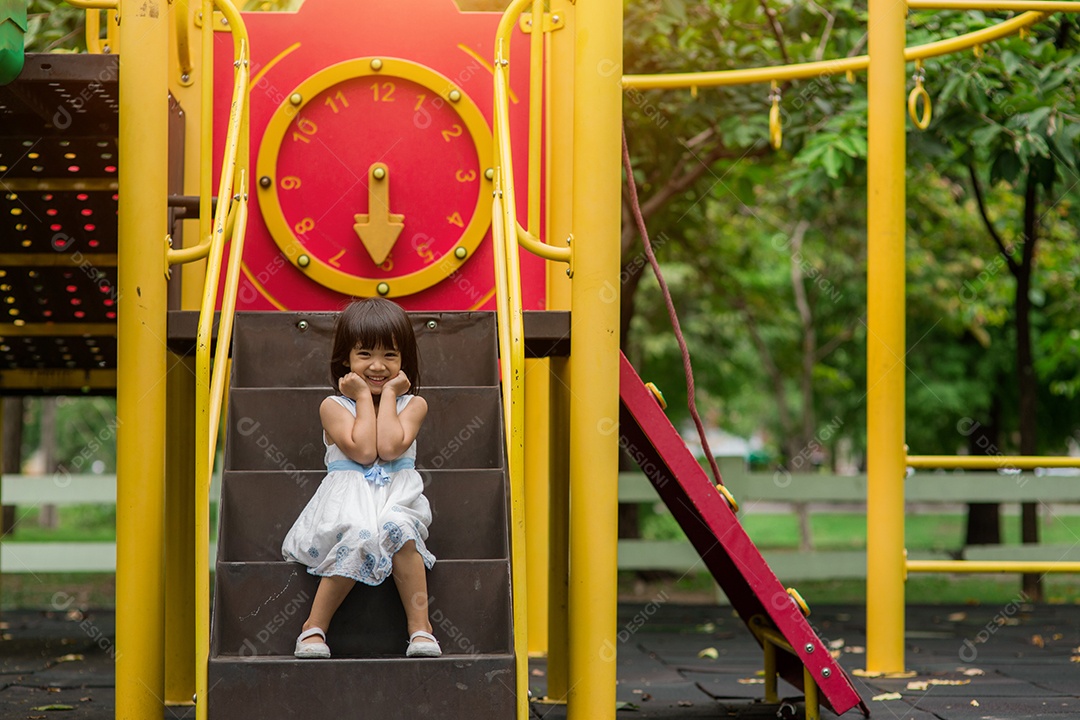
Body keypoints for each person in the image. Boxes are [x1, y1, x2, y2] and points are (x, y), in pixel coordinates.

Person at [281, 297, 439, 659]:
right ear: (346, 360)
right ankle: (313, 628)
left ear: (405, 362)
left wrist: (392, 394)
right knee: (358, 533)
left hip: (396, 496)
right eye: (365, 354)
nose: (378, 366)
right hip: (348, 500)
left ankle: (421, 629)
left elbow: (389, 446)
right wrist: (364, 398)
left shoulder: (413, 404)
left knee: (399, 530)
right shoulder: (333, 406)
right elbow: (365, 451)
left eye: (390, 356)